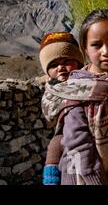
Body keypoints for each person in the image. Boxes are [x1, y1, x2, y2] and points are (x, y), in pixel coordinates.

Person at [42, 9, 108, 185]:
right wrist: (94, 180)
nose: (106, 51)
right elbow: (77, 141)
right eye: (97, 45)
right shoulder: (76, 88)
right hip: (81, 176)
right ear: (85, 48)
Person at [39, 32, 84, 185]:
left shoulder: (90, 82)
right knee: (55, 145)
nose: (60, 67)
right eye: (53, 65)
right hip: (65, 135)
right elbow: (50, 114)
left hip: (90, 132)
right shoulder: (51, 90)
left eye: (67, 61)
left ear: (79, 62)